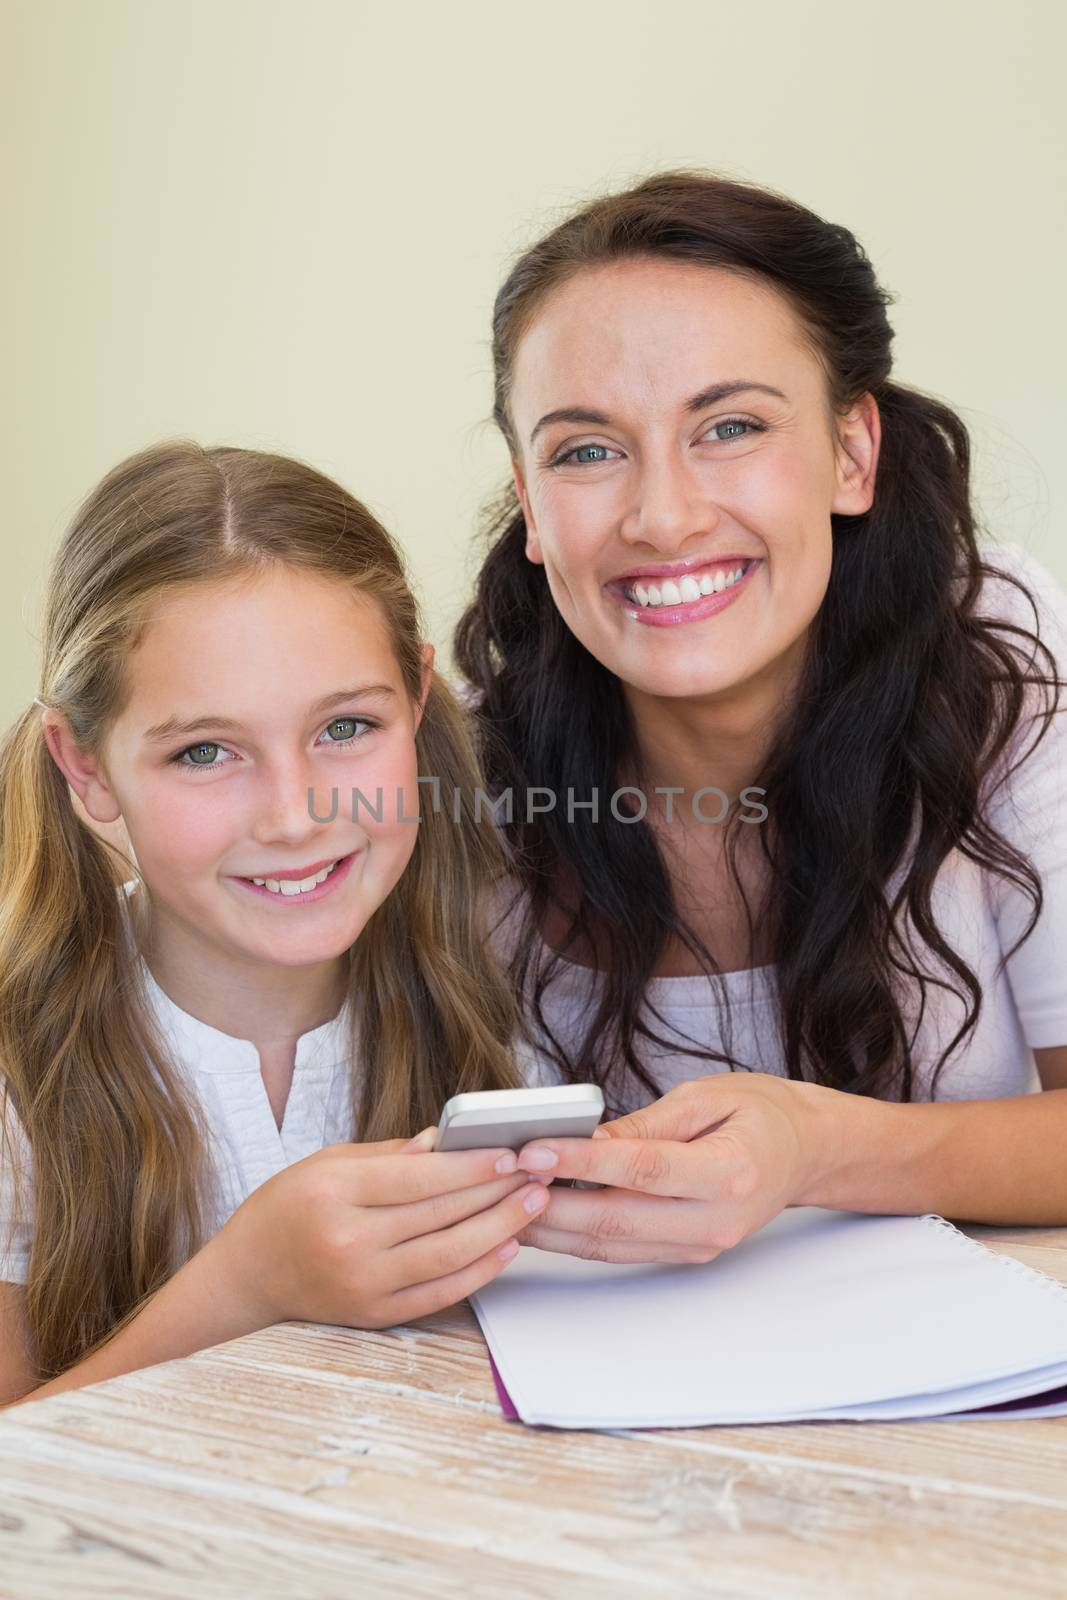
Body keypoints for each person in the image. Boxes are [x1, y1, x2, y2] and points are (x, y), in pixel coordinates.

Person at [454, 169, 1067, 1265]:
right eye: (585, 451)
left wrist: (816, 1148)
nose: (663, 515)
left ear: (849, 452)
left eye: (729, 426)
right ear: (531, 506)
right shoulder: (462, 776)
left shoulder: (999, 662)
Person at [0, 441, 550, 1407]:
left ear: (418, 703)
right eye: (206, 751)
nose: (295, 817)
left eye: (345, 729)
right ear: (85, 767)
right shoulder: (18, 1072)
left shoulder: (503, 999)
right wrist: (246, 1284)